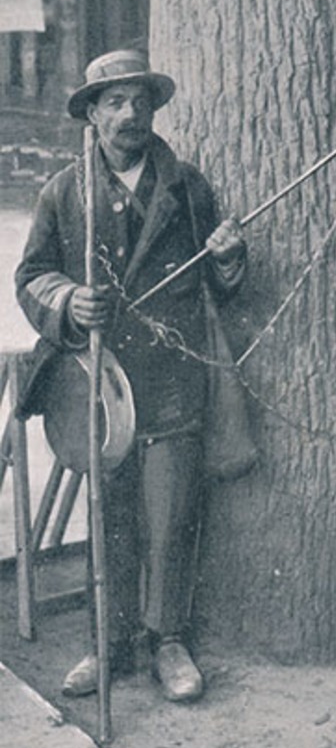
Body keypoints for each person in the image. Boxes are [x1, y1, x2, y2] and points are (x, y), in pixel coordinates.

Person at [15, 50, 248, 702]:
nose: (130, 114)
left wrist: (229, 260)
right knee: (111, 516)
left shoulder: (188, 187)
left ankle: (167, 641)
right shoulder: (63, 192)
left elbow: (220, 286)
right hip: (99, 385)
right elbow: (30, 277)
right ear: (91, 114)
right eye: (114, 102)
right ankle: (108, 644)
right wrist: (67, 299)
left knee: (171, 515)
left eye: (139, 101)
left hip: (173, 378)